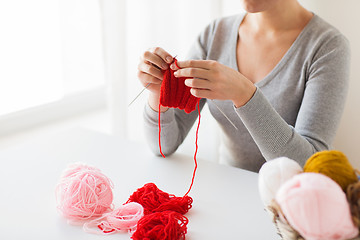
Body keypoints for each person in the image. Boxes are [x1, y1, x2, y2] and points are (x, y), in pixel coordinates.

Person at [137, 0, 350, 172]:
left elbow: (308, 166)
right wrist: (158, 93)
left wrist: (245, 94)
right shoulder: (215, 35)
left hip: (290, 208)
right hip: (231, 196)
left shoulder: (328, 47)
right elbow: (162, 147)